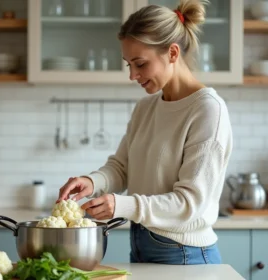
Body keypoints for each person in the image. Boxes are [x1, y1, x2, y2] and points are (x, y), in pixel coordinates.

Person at [57, 0, 233, 265]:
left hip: (185, 253)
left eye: (140, 64)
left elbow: (189, 203)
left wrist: (121, 205)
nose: (132, 75)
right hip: (141, 243)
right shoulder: (146, 107)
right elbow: (122, 167)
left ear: (172, 53)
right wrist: (92, 182)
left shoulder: (208, 110)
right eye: (129, 64)